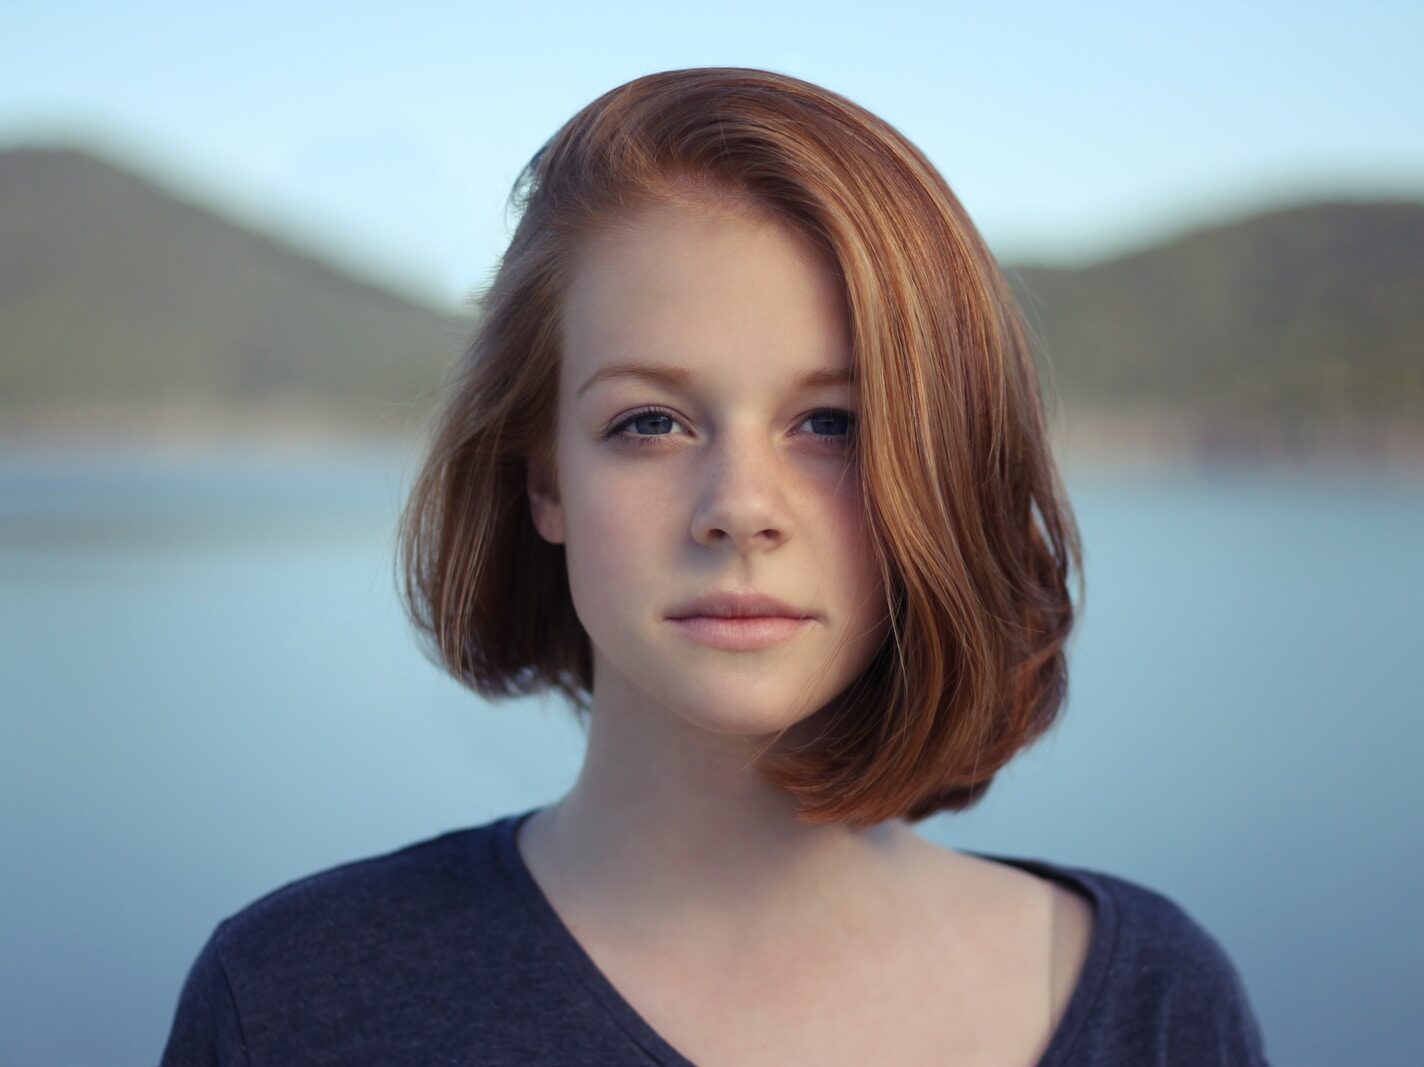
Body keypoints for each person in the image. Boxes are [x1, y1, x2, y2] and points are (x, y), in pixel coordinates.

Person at [159, 67, 1271, 1066]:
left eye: (831, 423)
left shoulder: (1153, 1004)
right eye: (648, 422)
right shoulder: (293, 1001)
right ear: (543, 481)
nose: (739, 507)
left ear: (937, 467)